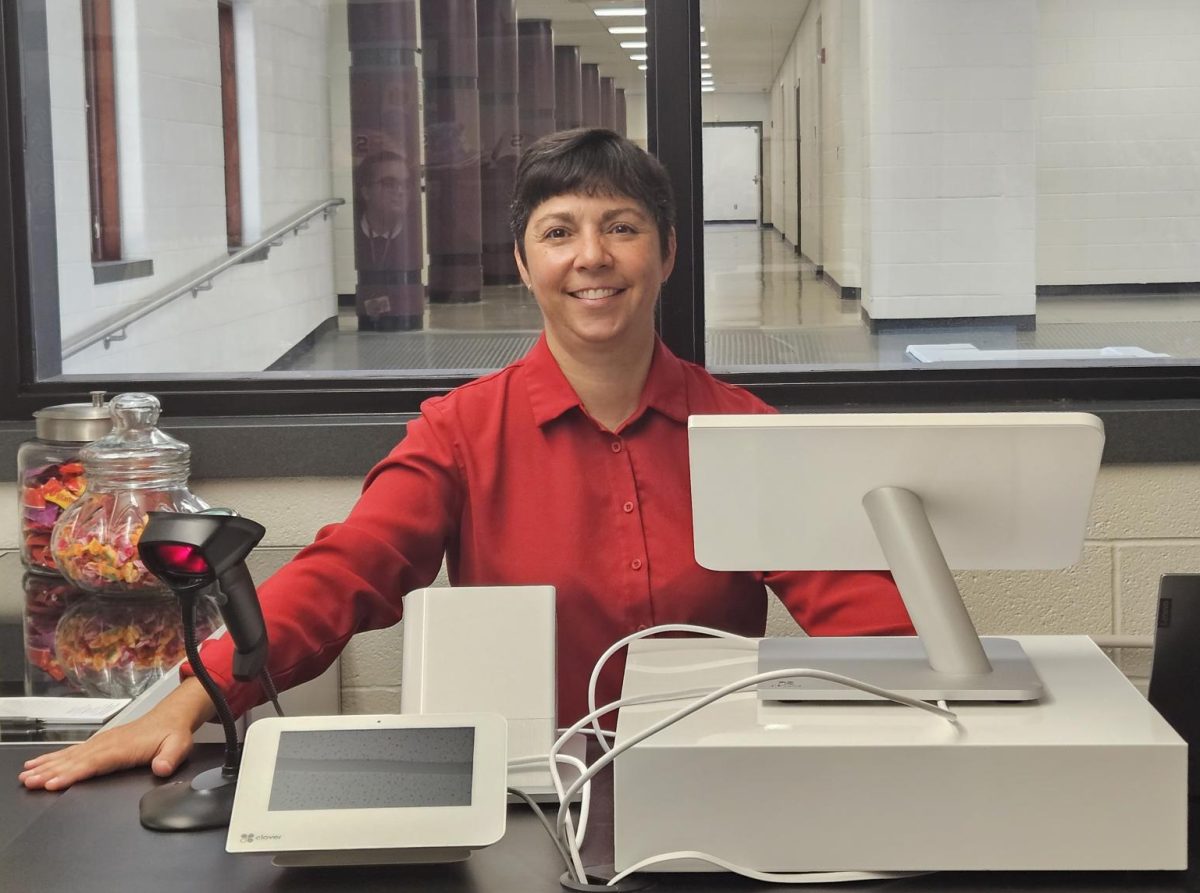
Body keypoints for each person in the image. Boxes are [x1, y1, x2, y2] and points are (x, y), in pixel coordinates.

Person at [19, 128, 913, 792]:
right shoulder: (458, 432)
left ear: (668, 251)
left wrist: (928, 698)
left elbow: (874, 627)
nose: (592, 256)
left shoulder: (742, 427)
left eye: (623, 227)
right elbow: (348, 569)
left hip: (716, 790)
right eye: (559, 232)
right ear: (525, 264)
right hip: (520, 797)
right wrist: (197, 691)